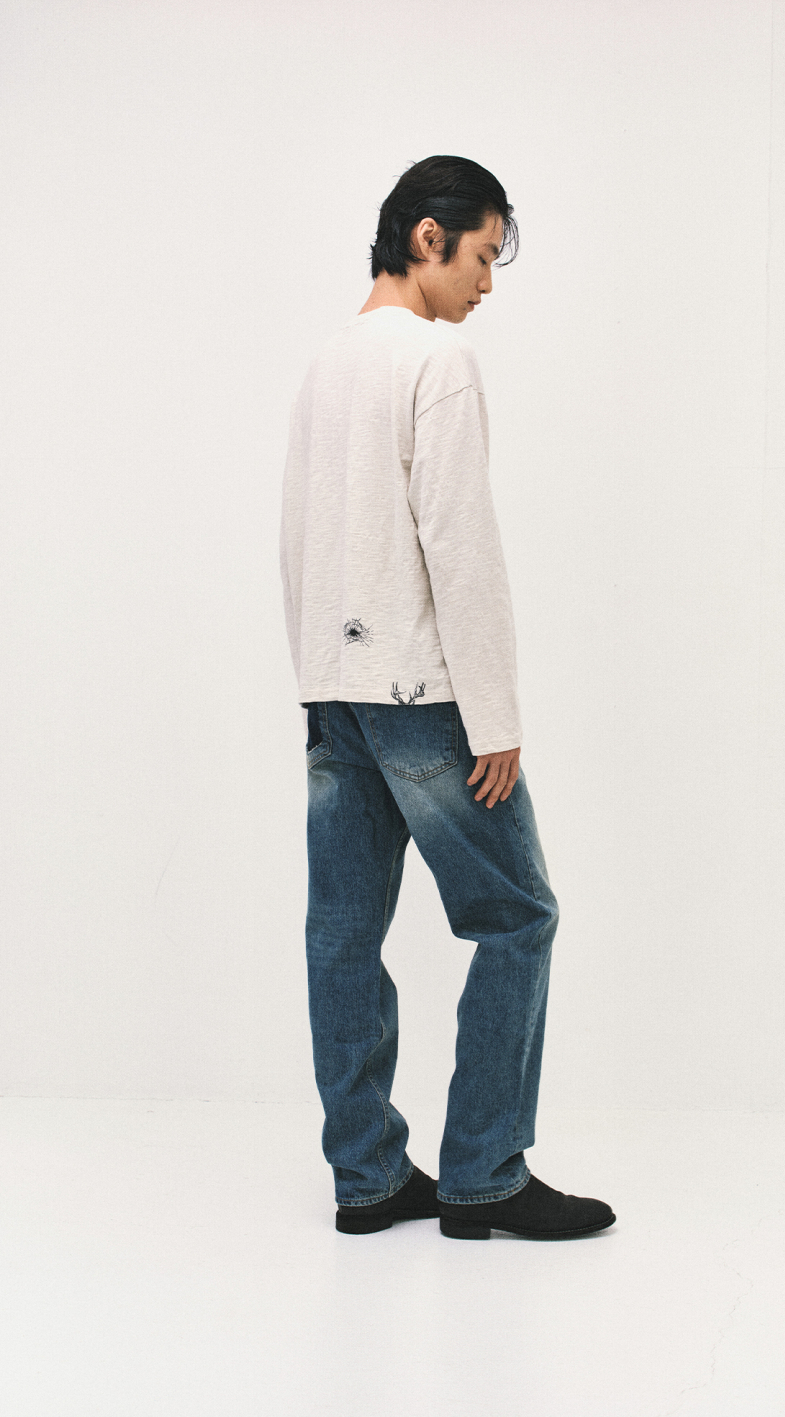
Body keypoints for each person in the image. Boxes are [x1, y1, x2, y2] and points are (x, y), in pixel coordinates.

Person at [279, 155, 615, 1241]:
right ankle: (484, 1174)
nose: (486, 282)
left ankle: (368, 1178)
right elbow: (460, 545)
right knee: (518, 915)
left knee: (343, 934)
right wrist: (495, 717)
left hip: (335, 692)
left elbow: (298, 538)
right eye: (481, 254)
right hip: (423, 695)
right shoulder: (437, 359)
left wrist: (317, 679)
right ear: (428, 237)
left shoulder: (327, 364)